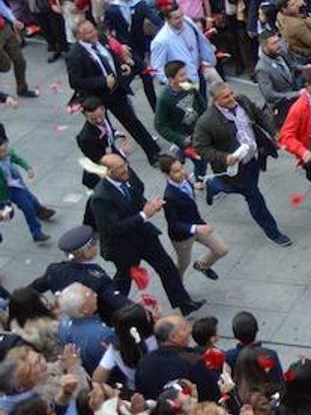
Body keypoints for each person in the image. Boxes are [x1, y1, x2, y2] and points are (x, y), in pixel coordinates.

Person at [88, 153, 203, 315]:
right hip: (123, 245)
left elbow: (137, 193)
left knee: (166, 267)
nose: (125, 169)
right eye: (119, 168)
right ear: (108, 172)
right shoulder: (101, 197)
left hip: (143, 235)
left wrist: (149, 205)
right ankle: (108, 310)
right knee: (124, 280)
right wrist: (144, 215)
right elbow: (113, 228)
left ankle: (184, 304)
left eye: (124, 164)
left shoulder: (127, 175)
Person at [193, 81, 292, 247]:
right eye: (226, 97)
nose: (232, 98)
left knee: (245, 188)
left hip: (252, 158)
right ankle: (273, 232)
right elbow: (201, 148)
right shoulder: (206, 122)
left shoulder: (243, 101)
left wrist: (273, 132)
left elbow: (260, 116)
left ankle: (214, 185)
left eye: (231, 93)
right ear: (216, 101)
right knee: (254, 196)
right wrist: (224, 157)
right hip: (236, 167)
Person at [65, 19, 161, 163]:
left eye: (93, 30)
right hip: (96, 98)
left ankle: (153, 152)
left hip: (115, 91)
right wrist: (102, 81)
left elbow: (110, 57)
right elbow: (75, 82)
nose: (94, 34)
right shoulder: (74, 55)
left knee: (132, 122)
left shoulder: (101, 39)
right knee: (104, 130)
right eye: (89, 33)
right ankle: (114, 159)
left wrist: (121, 66)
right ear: (79, 36)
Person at [28, 225, 131, 322]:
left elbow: (32, 290)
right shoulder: (96, 278)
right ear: (85, 252)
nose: (96, 246)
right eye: (93, 244)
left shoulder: (54, 270)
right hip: (97, 319)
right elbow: (117, 300)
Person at [159, 154, 229, 281]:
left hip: (198, 224)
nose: (182, 173)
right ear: (166, 174)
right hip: (183, 236)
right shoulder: (169, 196)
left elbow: (187, 187)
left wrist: (195, 186)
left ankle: (202, 265)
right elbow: (174, 224)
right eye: (176, 171)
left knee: (221, 250)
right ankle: (177, 288)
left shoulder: (184, 179)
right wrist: (196, 228)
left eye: (181, 168)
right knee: (183, 264)